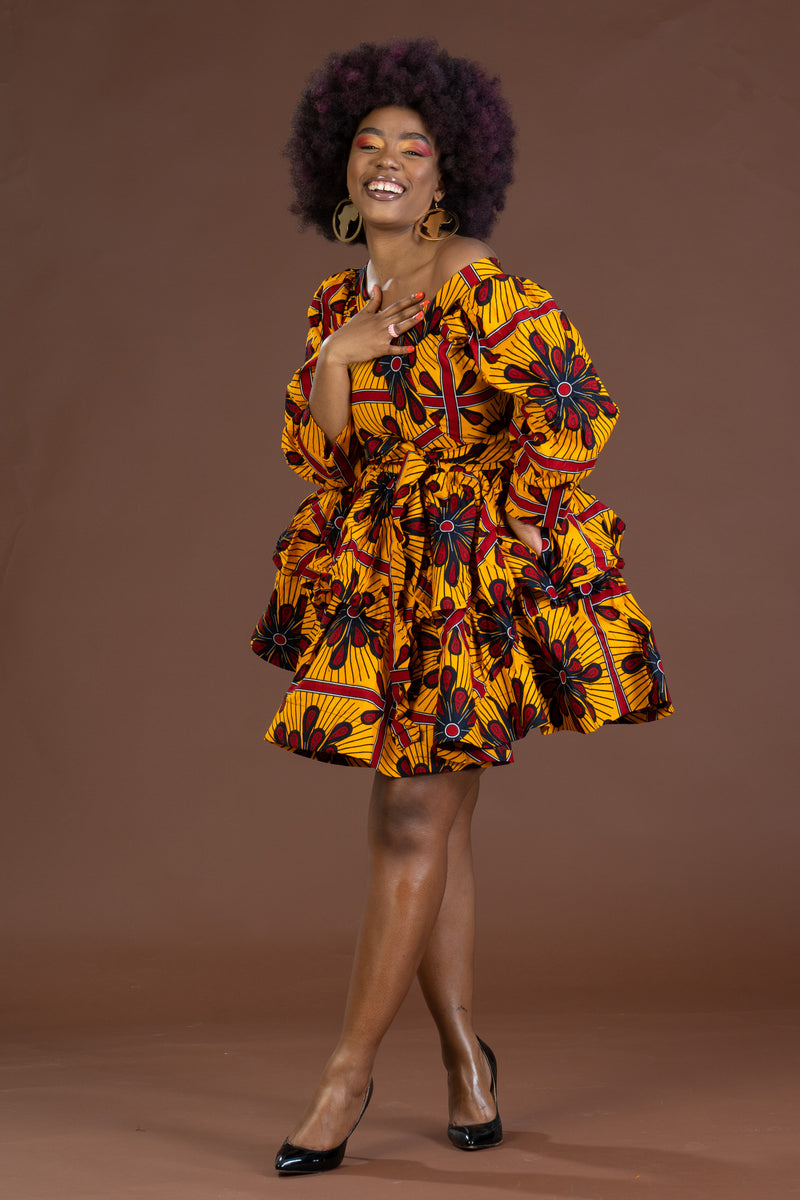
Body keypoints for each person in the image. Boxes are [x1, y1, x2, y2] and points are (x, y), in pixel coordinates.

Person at [251, 38, 673, 1175]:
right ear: (339, 170)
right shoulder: (337, 301)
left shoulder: (474, 278)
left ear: (450, 173)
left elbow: (573, 402)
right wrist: (338, 356)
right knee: (435, 831)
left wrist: (522, 512)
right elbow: (326, 459)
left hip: (463, 579)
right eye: (367, 144)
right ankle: (464, 1063)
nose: (387, 161)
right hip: (384, 573)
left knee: (408, 821)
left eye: (414, 147)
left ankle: (345, 1076)